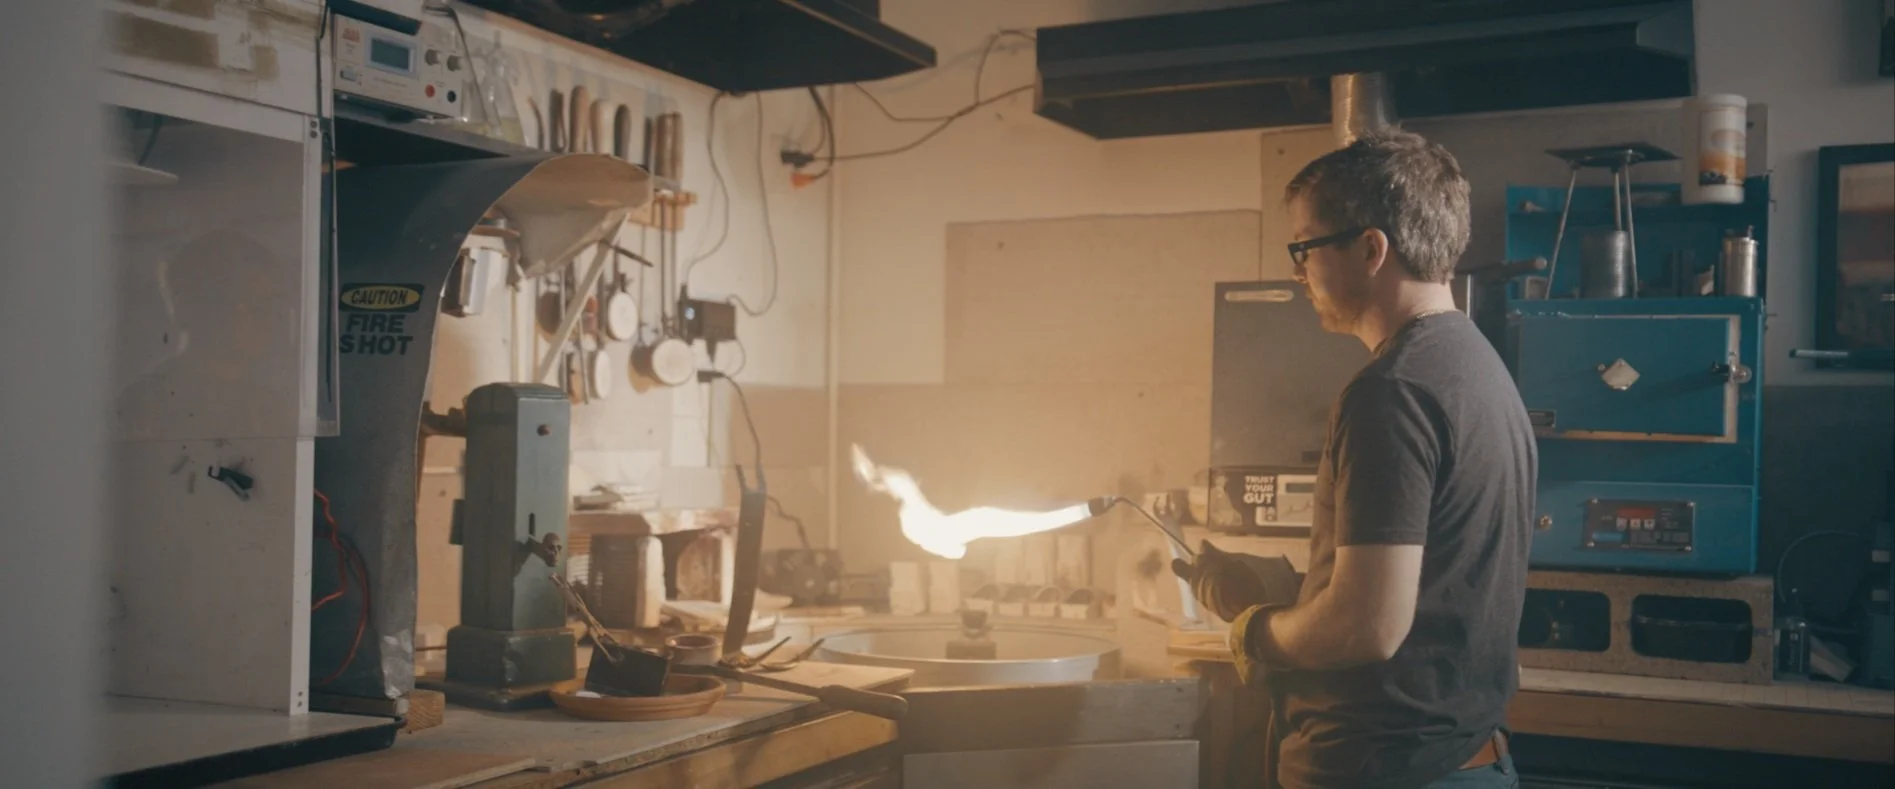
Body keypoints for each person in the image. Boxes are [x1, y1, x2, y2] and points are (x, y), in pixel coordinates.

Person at [1176, 129, 1537, 789]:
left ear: (1371, 248)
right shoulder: (1479, 369)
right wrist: (1289, 589)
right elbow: (1430, 584)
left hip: (1385, 769)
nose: (1297, 270)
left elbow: (1366, 627)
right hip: (1464, 757)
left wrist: (1254, 631)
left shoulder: (1389, 391)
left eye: (1304, 247)